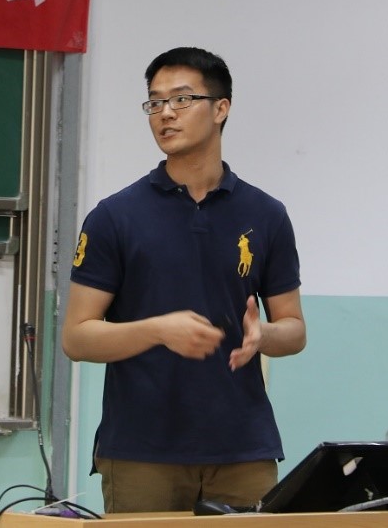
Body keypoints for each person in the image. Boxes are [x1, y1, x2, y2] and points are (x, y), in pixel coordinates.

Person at [61, 46, 306, 513]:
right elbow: (77, 337)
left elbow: (294, 329)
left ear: (221, 108)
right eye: (155, 102)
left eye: (181, 99)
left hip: (242, 449)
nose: (165, 113)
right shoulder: (115, 216)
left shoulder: (266, 215)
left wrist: (263, 335)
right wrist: (157, 330)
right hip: (142, 450)